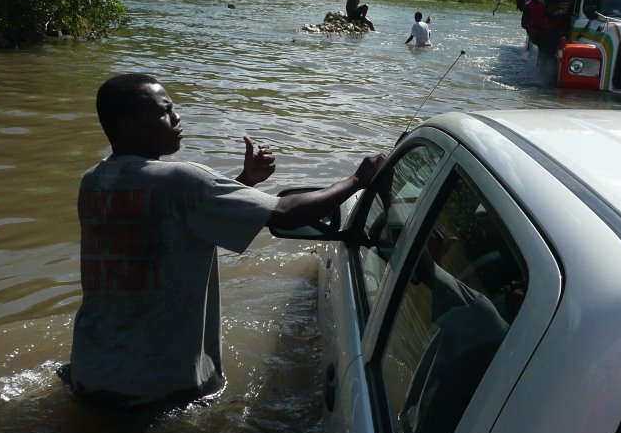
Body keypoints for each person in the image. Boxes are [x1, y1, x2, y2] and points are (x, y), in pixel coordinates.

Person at [65, 73, 384, 409]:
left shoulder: (94, 181)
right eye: (164, 111)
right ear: (128, 125)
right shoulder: (183, 179)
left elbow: (174, 221)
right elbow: (286, 212)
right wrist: (357, 180)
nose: (177, 117)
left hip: (89, 372)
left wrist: (245, 181)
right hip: (158, 385)